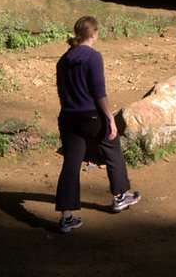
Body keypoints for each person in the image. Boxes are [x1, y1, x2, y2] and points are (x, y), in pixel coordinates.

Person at [55, 15, 140, 233]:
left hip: (68, 117)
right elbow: (99, 93)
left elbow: (61, 91)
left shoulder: (64, 59)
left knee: (71, 164)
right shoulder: (93, 57)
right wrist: (110, 118)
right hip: (90, 115)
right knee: (112, 148)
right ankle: (120, 195)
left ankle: (66, 217)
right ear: (93, 34)